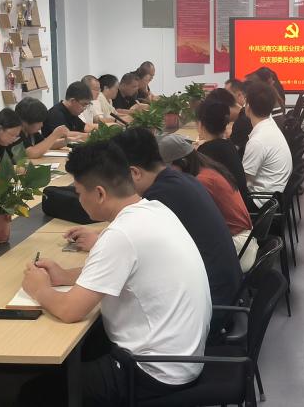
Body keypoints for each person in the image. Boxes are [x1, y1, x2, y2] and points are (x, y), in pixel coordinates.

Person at [18, 141, 210, 407]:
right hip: (183, 357)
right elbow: (122, 270)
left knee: (35, 392)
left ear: (99, 193)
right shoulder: (154, 210)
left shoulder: (121, 234)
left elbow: (70, 310)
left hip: (154, 372)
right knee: (83, 349)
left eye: (78, 192)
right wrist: (65, 276)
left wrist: (39, 289)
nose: (78, 200)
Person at [106, 128, 242, 314]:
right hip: (225, 292)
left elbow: (129, 252)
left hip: (210, 305)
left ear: (134, 173)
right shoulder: (181, 180)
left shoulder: (158, 197)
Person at [159, 134, 257, 272]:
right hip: (242, 241)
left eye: (168, 168)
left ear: (183, 163)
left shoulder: (201, 181)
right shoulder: (207, 168)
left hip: (238, 249)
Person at [196, 100, 254, 212]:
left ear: (201, 125)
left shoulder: (206, 151)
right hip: (241, 206)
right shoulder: (228, 145)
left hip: (228, 212)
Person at [242, 80, 293, 205]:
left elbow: (244, 181)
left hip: (261, 201)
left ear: (248, 107)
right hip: (275, 195)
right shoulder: (270, 123)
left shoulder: (258, 141)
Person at [225, 79, 254, 153]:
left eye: (227, 94)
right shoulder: (246, 113)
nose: (224, 97)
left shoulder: (245, 118)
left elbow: (232, 150)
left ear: (239, 94)